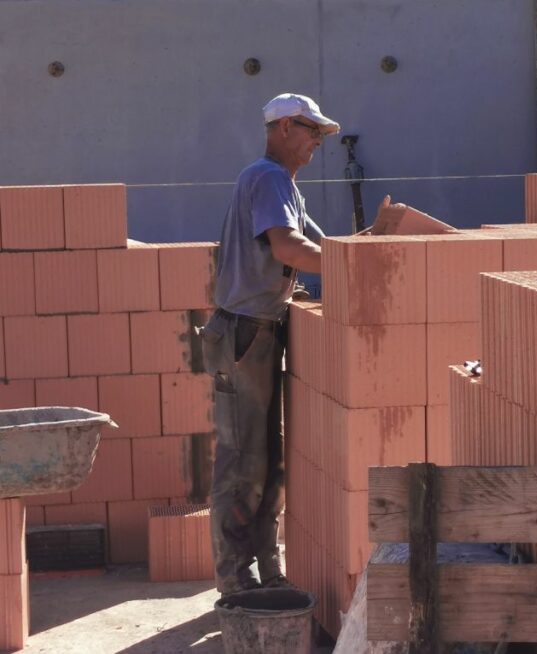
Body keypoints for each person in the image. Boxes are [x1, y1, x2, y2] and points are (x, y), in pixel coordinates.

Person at [201, 92, 335, 595]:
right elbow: (290, 248)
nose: (317, 142)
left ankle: (266, 570)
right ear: (282, 128)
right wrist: (361, 264)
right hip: (243, 334)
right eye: (311, 131)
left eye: (321, 133)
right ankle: (236, 581)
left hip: (259, 332)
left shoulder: (285, 187)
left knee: (268, 461)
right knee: (242, 461)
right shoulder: (268, 177)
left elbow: (326, 249)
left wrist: (372, 244)